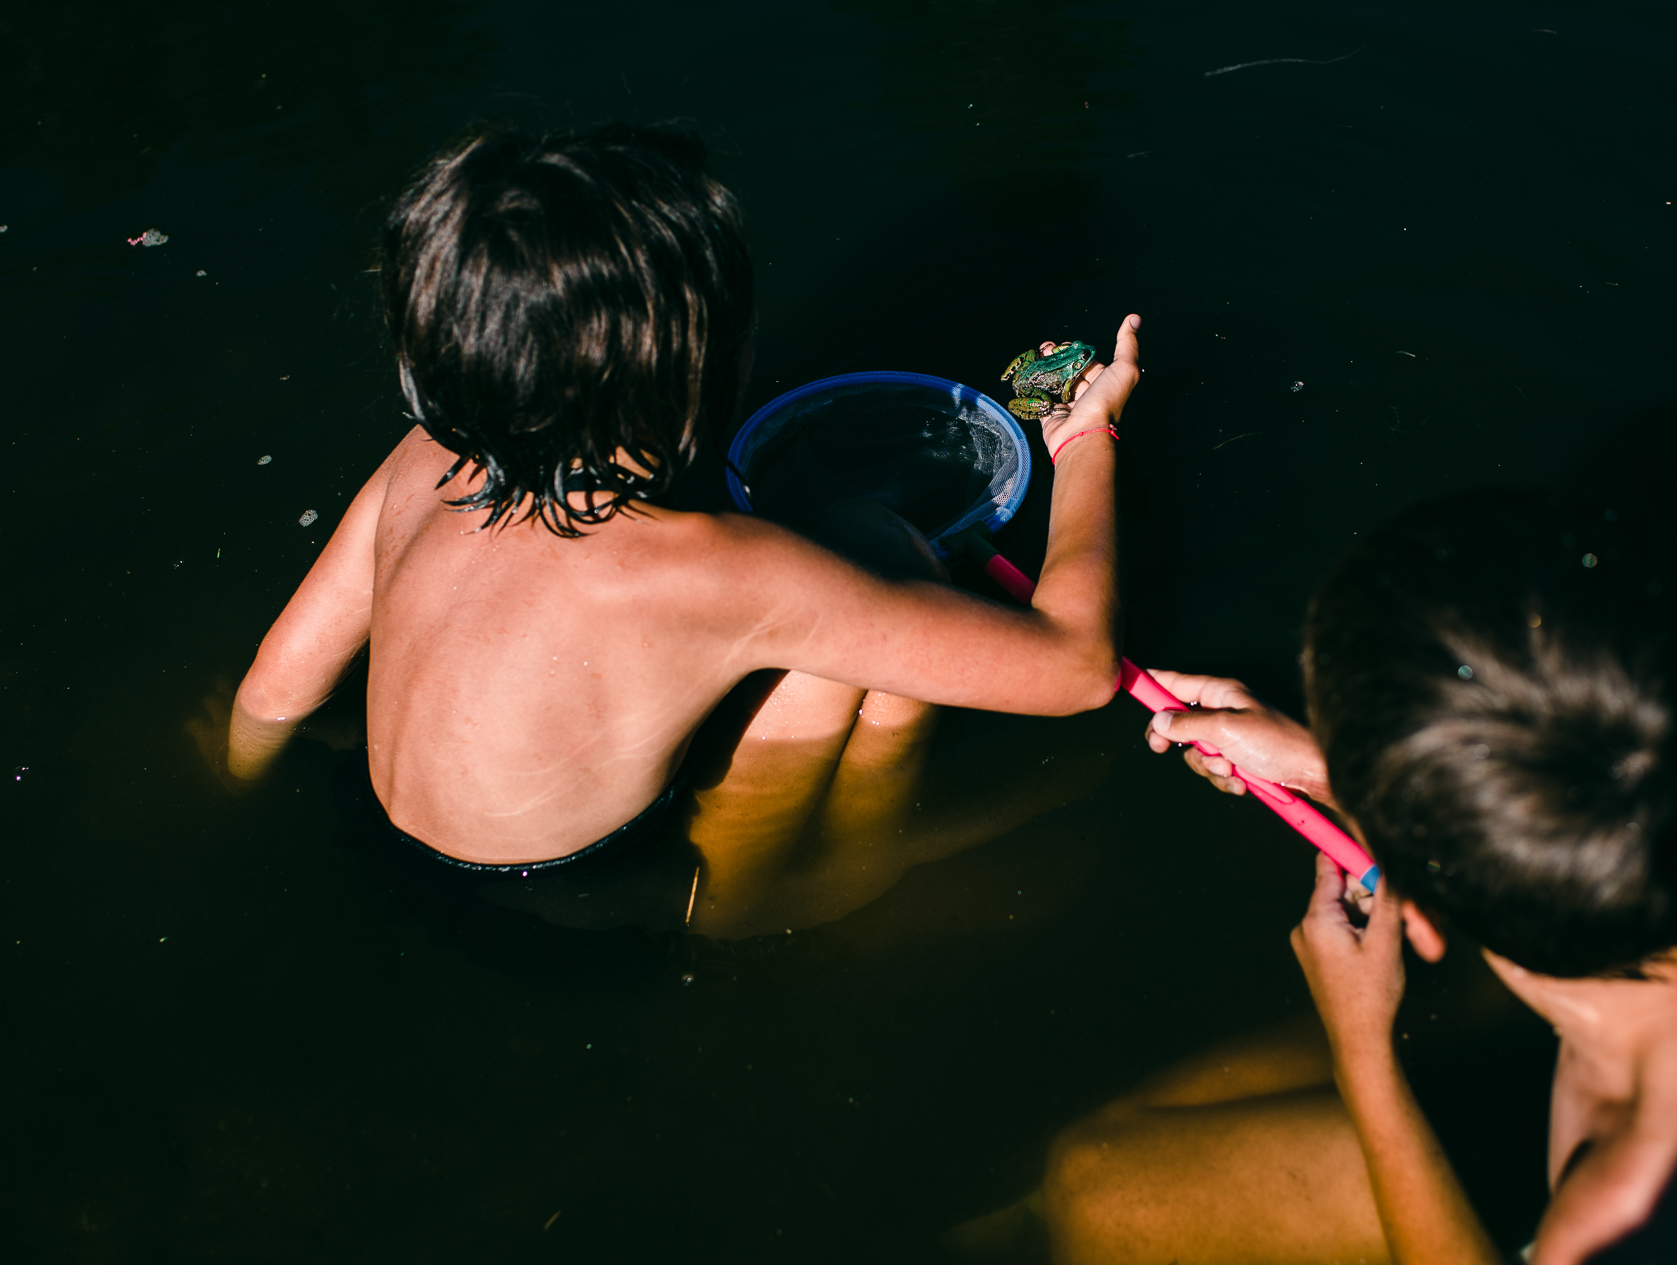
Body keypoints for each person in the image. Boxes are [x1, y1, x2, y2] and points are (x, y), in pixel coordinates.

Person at [1039, 490, 1677, 1265]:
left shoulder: (1629, 1233)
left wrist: (1364, 1049)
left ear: (1423, 920)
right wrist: (1347, 773)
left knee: (1094, 1201)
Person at [200, 122, 1141, 939]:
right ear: (693, 359)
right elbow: (1077, 669)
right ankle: (815, 899)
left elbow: (273, 695)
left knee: (827, 595)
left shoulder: (426, 454)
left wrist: (234, 800)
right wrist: (1085, 438)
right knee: (881, 553)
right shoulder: (719, 574)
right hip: (591, 908)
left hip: (379, 838)